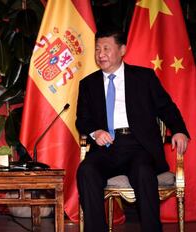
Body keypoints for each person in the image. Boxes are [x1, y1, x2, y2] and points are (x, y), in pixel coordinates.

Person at [76, 29, 189, 232]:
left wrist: (179, 130)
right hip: (106, 147)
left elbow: (166, 107)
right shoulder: (88, 84)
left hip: (138, 146)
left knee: (144, 172)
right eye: (97, 49)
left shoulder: (143, 77)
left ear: (122, 50)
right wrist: (95, 132)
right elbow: (82, 120)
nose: (100, 54)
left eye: (106, 48)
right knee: (86, 171)